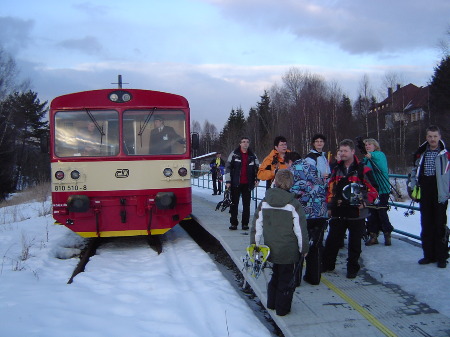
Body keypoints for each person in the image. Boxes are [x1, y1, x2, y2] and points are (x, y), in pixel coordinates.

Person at [250, 169, 309, 316]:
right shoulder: (293, 204)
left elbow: (257, 225)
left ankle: (271, 303)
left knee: (275, 275)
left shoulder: (264, 202)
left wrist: (255, 245)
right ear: (291, 183)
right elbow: (300, 230)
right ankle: (282, 309)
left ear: (275, 181)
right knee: (286, 279)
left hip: (271, 248)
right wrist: (304, 249)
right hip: (288, 250)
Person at [322, 139, 378, 279]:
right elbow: (330, 189)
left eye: (345, 151)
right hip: (339, 210)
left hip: (357, 212)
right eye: (341, 151)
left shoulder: (363, 169)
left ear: (353, 152)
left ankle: (352, 269)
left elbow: (374, 189)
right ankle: (328, 264)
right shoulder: (336, 169)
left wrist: (365, 202)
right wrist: (329, 206)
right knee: (332, 240)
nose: (342, 153)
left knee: (355, 243)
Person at [409, 125, 449, 268]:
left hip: (440, 192)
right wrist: (412, 187)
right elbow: (414, 171)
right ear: (426, 138)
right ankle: (428, 255)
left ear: (439, 137)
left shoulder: (445, 154)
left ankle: (442, 256)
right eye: (430, 136)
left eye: (435, 136)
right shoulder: (421, 153)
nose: (433, 139)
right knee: (426, 224)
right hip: (425, 190)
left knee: (440, 225)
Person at [289, 154, 328, 285]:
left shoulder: (293, 170)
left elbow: (293, 191)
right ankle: (314, 277)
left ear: (290, 161)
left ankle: (295, 279)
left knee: (298, 245)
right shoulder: (315, 168)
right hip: (320, 213)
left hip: (303, 214)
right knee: (315, 246)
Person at [362, 138, 394, 246]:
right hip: (371, 189)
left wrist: (369, 155)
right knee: (371, 213)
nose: (367, 146)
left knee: (381, 211)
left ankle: (387, 233)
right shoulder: (366, 159)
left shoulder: (379, 155)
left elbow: (376, 160)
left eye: (369, 144)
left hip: (382, 188)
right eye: (366, 145)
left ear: (375, 146)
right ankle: (373, 235)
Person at [225, 137, 260, 230]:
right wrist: (228, 181)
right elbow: (228, 168)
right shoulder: (234, 154)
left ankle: (245, 224)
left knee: (246, 205)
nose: (245, 144)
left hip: (247, 184)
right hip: (235, 183)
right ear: (240, 143)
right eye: (243, 142)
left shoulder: (253, 155)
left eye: (247, 142)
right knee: (234, 204)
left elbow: (257, 168)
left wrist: (257, 179)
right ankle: (234, 223)